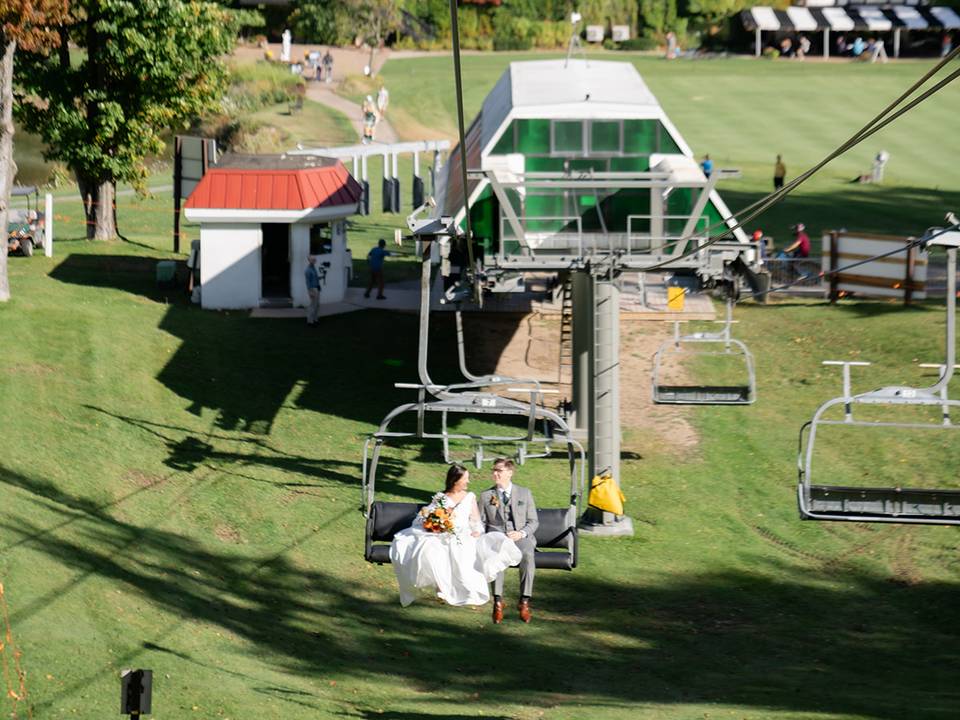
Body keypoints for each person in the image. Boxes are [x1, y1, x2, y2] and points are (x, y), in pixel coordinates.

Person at [390, 464, 522, 608]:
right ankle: (441, 588)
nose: (468, 481)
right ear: (455, 480)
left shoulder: (469, 497)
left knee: (460, 548)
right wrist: (436, 524)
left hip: (463, 533)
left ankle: (458, 590)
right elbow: (427, 515)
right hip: (443, 533)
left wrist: (477, 531)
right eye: (465, 478)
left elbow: (476, 522)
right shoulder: (441, 497)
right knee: (431, 548)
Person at [478, 458, 539, 624]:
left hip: (518, 537)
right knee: (496, 556)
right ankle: (498, 602)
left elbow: (533, 521)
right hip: (497, 538)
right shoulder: (485, 496)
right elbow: (481, 522)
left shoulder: (524, 493)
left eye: (499, 470)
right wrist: (480, 534)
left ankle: (524, 601)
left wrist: (521, 533)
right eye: (494, 470)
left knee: (528, 553)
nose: (495, 473)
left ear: (510, 473)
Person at [304, 256, 321, 325]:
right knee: (313, 305)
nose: (314, 261)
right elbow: (308, 282)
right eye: (313, 260)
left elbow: (315, 278)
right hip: (312, 289)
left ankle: (315, 319)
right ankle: (310, 321)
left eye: (315, 260)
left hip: (317, 288)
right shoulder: (308, 270)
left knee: (317, 305)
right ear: (309, 260)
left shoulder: (313, 268)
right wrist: (310, 291)